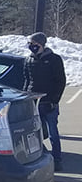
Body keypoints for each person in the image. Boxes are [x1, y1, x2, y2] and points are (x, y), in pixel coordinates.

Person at [24, 32, 66, 171]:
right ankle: (40, 158)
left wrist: (54, 100)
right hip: (34, 101)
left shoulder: (54, 59)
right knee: (36, 132)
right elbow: (27, 80)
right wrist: (25, 96)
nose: (31, 46)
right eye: (30, 44)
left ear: (41, 44)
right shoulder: (28, 60)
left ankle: (57, 159)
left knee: (53, 131)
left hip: (49, 101)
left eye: (33, 44)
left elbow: (60, 81)